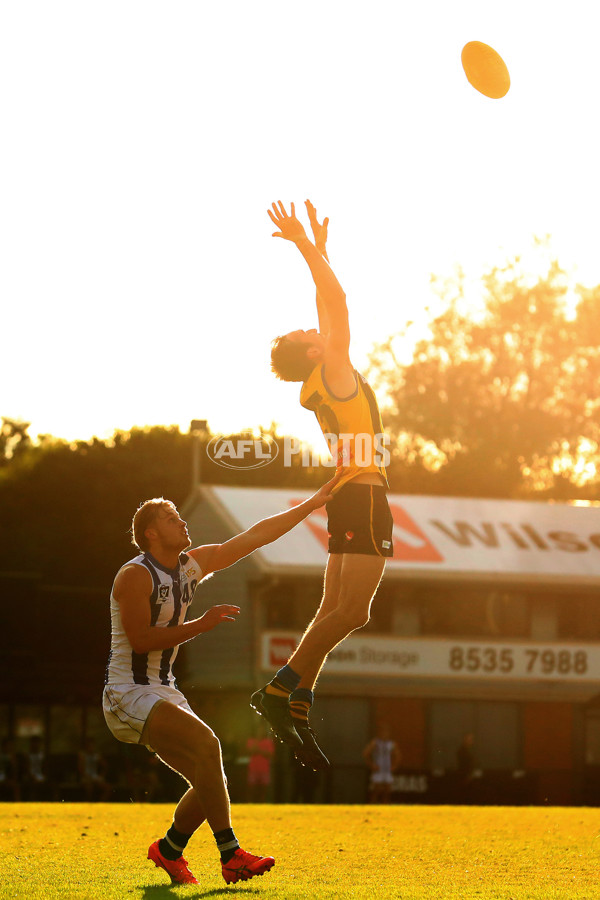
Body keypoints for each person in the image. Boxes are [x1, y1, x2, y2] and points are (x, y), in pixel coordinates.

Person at [103, 476, 338, 886]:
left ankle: (170, 849)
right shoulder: (134, 575)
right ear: (151, 533)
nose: (183, 523)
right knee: (210, 746)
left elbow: (255, 536)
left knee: (209, 775)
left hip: (162, 690)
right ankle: (231, 856)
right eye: (173, 518)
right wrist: (202, 623)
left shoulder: (190, 565)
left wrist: (313, 503)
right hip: (128, 693)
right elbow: (139, 641)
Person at [251, 201, 393, 772]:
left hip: (349, 493)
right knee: (350, 611)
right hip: (360, 493)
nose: (316, 328)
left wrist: (320, 252)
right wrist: (306, 250)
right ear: (314, 349)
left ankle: (299, 693)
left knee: (336, 608)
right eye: (309, 332)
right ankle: (281, 688)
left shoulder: (319, 376)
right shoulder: (332, 367)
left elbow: (326, 309)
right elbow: (336, 305)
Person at [363, 722, 401, 803]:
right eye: (383, 732)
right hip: (378, 769)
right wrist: (371, 765)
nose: (385, 733)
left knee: (387, 792)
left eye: (386, 732)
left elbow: (398, 755)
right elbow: (366, 753)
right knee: (376, 791)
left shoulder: (391, 744)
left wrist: (394, 766)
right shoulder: (375, 742)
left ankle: (385, 809)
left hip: (387, 770)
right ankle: (373, 807)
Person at [245, 720, 275, 803]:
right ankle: (250, 803)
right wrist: (258, 742)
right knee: (252, 788)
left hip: (264, 768)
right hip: (253, 768)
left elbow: (270, 754)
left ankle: (262, 803)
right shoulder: (251, 740)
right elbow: (251, 751)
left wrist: (258, 750)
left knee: (263, 789)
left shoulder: (268, 742)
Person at [78, 737, 112, 801]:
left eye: (92, 745)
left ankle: (101, 803)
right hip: (85, 777)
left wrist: (102, 775)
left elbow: (105, 765)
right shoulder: (82, 755)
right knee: (89, 788)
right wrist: (87, 777)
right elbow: (80, 768)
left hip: (95, 777)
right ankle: (89, 804)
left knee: (108, 788)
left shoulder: (96, 755)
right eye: (89, 745)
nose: (90, 747)